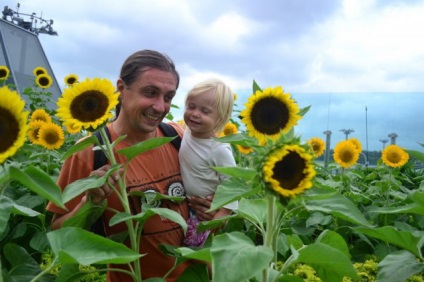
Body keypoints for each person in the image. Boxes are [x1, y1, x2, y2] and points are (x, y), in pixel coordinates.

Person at [46, 50, 214, 281]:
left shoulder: (179, 138)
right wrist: (90, 202)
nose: (159, 106)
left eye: (168, 97)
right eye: (150, 93)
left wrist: (213, 210)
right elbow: (59, 233)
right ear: (122, 89)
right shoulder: (90, 152)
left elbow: (213, 204)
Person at [179, 78, 237, 247]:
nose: (195, 113)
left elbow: (233, 185)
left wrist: (220, 217)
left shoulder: (218, 149)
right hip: (188, 208)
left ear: (220, 119)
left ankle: (213, 273)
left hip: (205, 215)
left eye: (205, 111)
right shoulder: (187, 132)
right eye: (191, 106)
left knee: (200, 255)